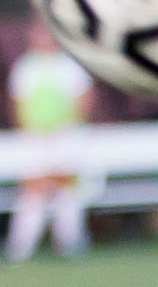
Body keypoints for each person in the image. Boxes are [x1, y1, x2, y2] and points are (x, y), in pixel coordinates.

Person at [5, 19, 94, 261]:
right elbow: (17, 104)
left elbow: (83, 100)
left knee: (66, 187)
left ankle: (70, 242)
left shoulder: (69, 66)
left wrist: (64, 126)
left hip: (64, 135)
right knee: (33, 190)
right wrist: (28, 130)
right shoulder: (25, 68)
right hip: (35, 138)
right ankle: (21, 247)